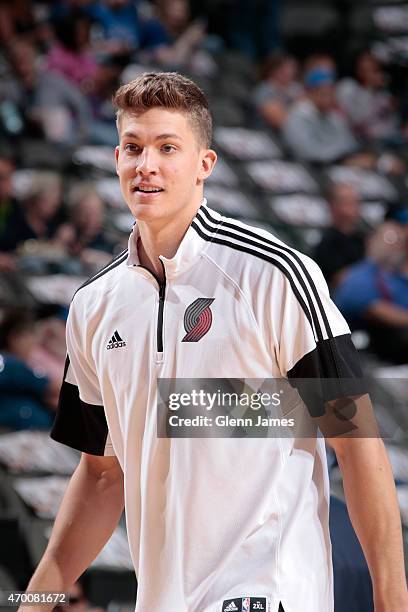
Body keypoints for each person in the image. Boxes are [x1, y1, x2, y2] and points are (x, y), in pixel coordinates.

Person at [22, 72, 407, 612]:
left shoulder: (275, 274)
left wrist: (393, 603)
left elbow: (357, 443)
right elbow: (102, 476)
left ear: (205, 165)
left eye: (167, 147)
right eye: (133, 148)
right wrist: (34, 599)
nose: (146, 165)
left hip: (270, 592)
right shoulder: (93, 306)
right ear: (115, 159)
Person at [334, 219, 408, 363]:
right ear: (370, 241)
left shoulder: (397, 279)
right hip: (358, 353)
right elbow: (375, 311)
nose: (394, 246)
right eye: (389, 238)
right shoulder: (358, 276)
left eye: (400, 241)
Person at [314, 182, 366, 288]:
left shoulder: (363, 239)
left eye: (356, 201)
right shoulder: (327, 244)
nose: (354, 206)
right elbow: (340, 282)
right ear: (333, 206)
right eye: (347, 202)